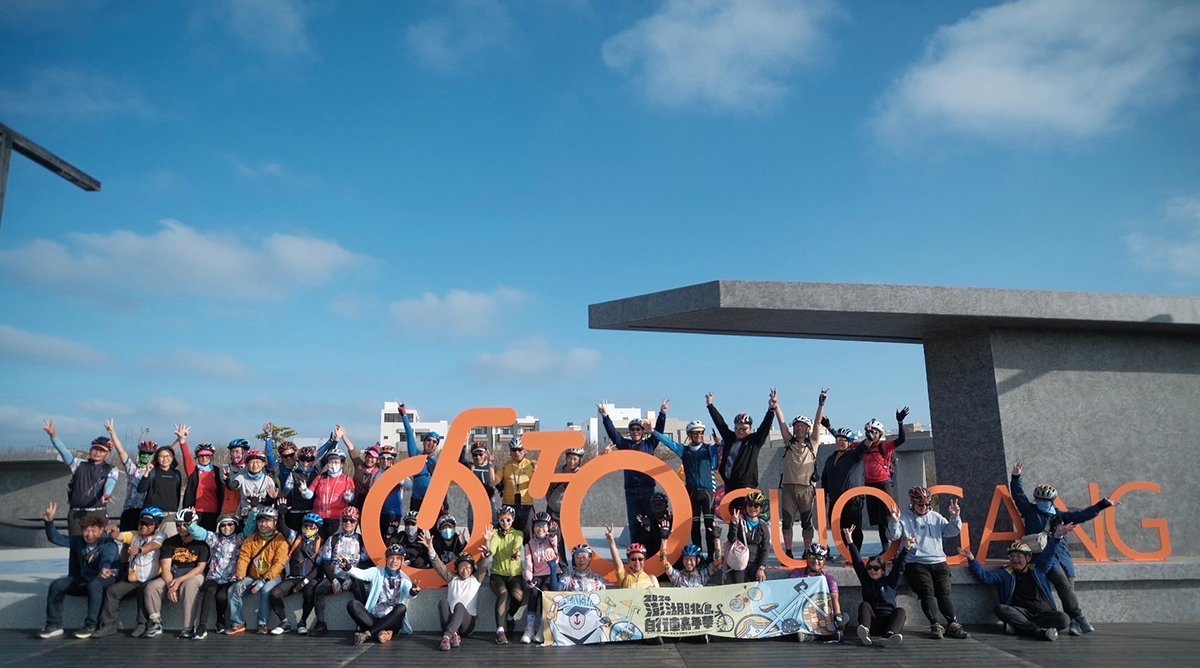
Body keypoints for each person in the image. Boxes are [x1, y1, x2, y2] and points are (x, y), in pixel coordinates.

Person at [1010, 460, 1118, 635]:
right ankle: (1079, 618)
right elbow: (1018, 495)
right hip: (1045, 558)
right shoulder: (1030, 511)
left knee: (1068, 589)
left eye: (1046, 500)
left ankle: (1074, 623)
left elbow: (1082, 515)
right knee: (1062, 586)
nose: (1042, 503)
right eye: (1039, 500)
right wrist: (1016, 477)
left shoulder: (1061, 516)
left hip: (1064, 560)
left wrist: (1101, 504)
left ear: (1053, 501)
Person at [960, 521, 1078, 641]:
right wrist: (972, 560)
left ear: (1028, 558)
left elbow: (1048, 554)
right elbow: (986, 578)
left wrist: (1056, 537)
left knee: (1064, 619)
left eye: (1019, 556)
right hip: (1021, 613)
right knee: (1001, 609)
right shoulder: (1005, 573)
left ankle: (1021, 627)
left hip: (1043, 613)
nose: (1015, 559)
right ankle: (1038, 631)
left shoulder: (1039, 569)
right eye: (1012, 556)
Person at [886, 486, 968, 639]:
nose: (924, 507)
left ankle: (953, 623)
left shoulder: (936, 517)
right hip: (916, 562)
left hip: (938, 560)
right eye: (921, 504)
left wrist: (955, 517)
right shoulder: (905, 517)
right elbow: (893, 536)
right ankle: (935, 624)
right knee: (927, 592)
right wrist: (894, 520)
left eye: (927, 504)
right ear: (912, 503)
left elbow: (951, 531)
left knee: (944, 592)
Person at [38, 501, 120, 639]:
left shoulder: (108, 544)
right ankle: (53, 624)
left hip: (106, 579)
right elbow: (55, 538)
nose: (89, 534)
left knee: (95, 584)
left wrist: (103, 568)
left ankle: (91, 624)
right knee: (57, 585)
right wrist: (49, 522)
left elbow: (107, 558)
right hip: (85, 579)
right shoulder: (78, 541)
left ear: (101, 531)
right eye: (86, 530)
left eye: (93, 530)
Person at [599, 400, 667, 545]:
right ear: (630, 432)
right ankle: (634, 551)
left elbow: (659, 432)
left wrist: (662, 413)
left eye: (638, 429)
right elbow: (613, 434)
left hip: (648, 489)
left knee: (650, 521)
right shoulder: (625, 445)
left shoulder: (649, 444)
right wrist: (605, 416)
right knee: (634, 523)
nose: (636, 432)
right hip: (631, 491)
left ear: (643, 431)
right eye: (633, 429)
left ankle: (650, 551)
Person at [773, 389, 829, 558]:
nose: (799, 429)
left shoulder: (813, 443)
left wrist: (821, 404)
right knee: (787, 523)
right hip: (789, 487)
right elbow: (782, 423)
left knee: (807, 523)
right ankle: (788, 552)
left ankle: (806, 551)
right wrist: (776, 406)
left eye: (802, 427)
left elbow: (818, 423)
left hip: (806, 488)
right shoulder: (788, 441)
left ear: (807, 429)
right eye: (797, 426)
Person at [653, 420, 720, 559]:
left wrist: (720, 444)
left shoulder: (709, 448)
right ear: (689, 435)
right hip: (691, 492)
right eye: (696, 433)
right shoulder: (684, 450)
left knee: (709, 526)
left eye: (702, 432)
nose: (700, 435)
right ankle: (698, 556)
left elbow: (717, 458)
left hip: (708, 492)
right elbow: (668, 442)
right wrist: (653, 432)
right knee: (694, 527)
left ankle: (712, 556)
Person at [95, 506, 166, 638]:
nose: (143, 526)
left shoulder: (160, 535)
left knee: (143, 590)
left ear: (156, 525)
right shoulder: (134, 535)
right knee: (112, 591)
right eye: (141, 522)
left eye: (148, 524)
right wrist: (114, 531)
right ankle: (109, 625)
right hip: (134, 578)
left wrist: (139, 550)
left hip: (152, 578)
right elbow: (120, 536)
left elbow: (155, 545)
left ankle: (142, 624)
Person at [421, 528, 493, 651]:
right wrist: (430, 548)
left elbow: (484, 566)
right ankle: (453, 635)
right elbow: (439, 567)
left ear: (472, 569)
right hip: (450, 621)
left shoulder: (475, 580)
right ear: (457, 569)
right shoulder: (452, 579)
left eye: (468, 567)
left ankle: (446, 637)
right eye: (461, 567)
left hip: (467, 624)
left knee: (459, 606)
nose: (465, 570)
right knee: (443, 602)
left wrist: (487, 546)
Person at [45, 419, 120, 536]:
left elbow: (110, 483)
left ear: (107, 453)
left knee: (97, 549)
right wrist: (53, 436)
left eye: (102, 450)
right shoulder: (78, 464)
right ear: (90, 449)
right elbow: (64, 452)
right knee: (76, 548)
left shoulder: (111, 469)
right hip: (76, 514)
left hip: (97, 514)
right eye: (95, 448)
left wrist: (107, 494)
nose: (98, 452)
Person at [143, 507, 210, 638]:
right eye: (178, 525)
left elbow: (200, 568)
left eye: (184, 524)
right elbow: (166, 568)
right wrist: (170, 587)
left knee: (188, 585)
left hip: (194, 575)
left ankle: (188, 627)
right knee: (151, 587)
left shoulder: (202, 543)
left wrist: (179, 581)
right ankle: (156, 622)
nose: (181, 527)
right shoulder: (169, 542)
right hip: (174, 574)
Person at [707, 391, 775, 513]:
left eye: (744, 429)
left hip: (745, 485)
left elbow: (764, 427)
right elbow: (720, 424)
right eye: (737, 428)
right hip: (729, 485)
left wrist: (771, 410)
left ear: (750, 428)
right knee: (733, 519)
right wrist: (710, 406)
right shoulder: (730, 438)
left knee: (746, 515)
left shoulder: (754, 441)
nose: (740, 431)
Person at [307, 506, 371, 636]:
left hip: (353, 575)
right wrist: (333, 580)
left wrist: (351, 578)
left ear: (357, 522)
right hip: (335, 575)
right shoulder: (333, 539)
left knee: (360, 589)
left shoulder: (361, 540)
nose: (348, 523)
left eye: (352, 521)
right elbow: (325, 561)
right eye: (345, 520)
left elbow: (364, 563)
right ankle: (320, 624)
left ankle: (364, 623)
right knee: (319, 590)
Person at [845, 525, 912, 647]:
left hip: (888, 622)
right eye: (869, 568)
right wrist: (850, 541)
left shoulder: (890, 581)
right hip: (872, 622)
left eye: (876, 568)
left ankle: (890, 636)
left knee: (900, 611)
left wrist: (906, 548)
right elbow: (857, 562)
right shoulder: (866, 580)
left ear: (882, 570)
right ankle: (864, 632)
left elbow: (899, 568)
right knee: (864, 605)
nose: (872, 571)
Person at [227, 506, 289, 634]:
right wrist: (240, 577)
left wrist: (264, 579)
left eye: (267, 521)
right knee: (233, 590)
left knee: (266, 590)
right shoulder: (251, 539)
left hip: (273, 576)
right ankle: (238, 623)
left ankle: (262, 623)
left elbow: (279, 563)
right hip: (253, 575)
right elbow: (244, 557)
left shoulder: (280, 539)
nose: (263, 524)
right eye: (261, 521)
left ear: (275, 522)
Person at [346, 544, 420, 645]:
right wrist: (349, 568)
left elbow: (409, 592)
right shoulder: (377, 571)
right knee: (352, 604)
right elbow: (362, 574)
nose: (394, 561)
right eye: (391, 557)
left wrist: (413, 591)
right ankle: (381, 633)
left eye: (398, 558)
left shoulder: (405, 578)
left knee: (401, 608)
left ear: (402, 561)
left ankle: (368, 633)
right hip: (374, 618)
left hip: (392, 621)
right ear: (386, 559)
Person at [266, 512, 324, 634]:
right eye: (306, 526)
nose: (308, 529)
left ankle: (302, 622)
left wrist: (304, 582)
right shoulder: (295, 537)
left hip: (310, 577)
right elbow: (282, 527)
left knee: (310, 592)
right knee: (275, 593)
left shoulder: (321, 543)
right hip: (293, 576)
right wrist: (281, 513)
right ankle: (285, 622)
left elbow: (319, 567)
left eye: (312, 527)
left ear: (317, 529)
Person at [188, 513, 244, 638]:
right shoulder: (214, 538)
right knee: (210, 591)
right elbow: (199, 533)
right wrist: (190, 523)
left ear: (235, 525)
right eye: (223, 525)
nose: (227, 527)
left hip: (231, 578)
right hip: (213, 576)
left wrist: (254, 511)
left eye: (230, 524)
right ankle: (202, 626)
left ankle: (220, 622)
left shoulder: (240, 538)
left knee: (221, 596)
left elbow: (250, 528)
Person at [862, 407, 910, 550]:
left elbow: (901, 439)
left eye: (874, 432)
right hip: (869, 485)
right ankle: (885, 550)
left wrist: (900, 422)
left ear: (880, 434)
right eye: (869, 432)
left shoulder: (884, 446)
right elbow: (846, 443)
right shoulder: (863, 447)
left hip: (883, 484)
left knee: (890, 517)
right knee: (879, 521)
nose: (871, 434)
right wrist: (830, 428)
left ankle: (897, 547)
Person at [787, 543, 849, 642]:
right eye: (812, 557)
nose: (815, 561)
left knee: (845, 617)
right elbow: (791, 594)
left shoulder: (829, 579)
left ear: (824, 560)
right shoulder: (797, 573)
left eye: (819, 558)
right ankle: (821, 635)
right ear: (807, 557)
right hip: (803, 613)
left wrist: (838, 615)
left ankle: (814, 636)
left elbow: (834, 598)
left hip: (823, 615)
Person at [821, 427, 866, 552]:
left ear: (850, 443)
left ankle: (855, 553)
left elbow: (864, 447)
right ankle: (844, 553)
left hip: (852, 500)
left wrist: (870, 438)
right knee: (838, 528)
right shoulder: (830, 458)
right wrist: (822, 496)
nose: (840, 442)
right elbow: (825, 479)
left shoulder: (854, 455)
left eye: (844, 440)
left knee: (853, 529)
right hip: (835, 499)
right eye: (838, 439)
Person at [105, 420, 152, 531]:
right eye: (143, 453)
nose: (146, 456)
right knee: (126, 540)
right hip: (129, 509)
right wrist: (112, 432)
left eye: (149, 454)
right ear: (139, 454)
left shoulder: (153, 470)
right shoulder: (132, 468)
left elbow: (167, 453)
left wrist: (179, 441)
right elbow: (121, 451)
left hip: (146, 511)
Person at [487, 505, 525, 645]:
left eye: (508, 520)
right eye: (502, 520)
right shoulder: (496, 534)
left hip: (515, 575)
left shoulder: (518, 534)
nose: (505, 523)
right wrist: (488, 551)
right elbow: (492, 548)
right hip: (498, 574)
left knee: (518, 596)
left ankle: (509, 616)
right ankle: (500, 631)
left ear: (513, 519)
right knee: (503, 593)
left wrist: (516, 554)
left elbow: (517, 545)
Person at [521, 512, 559, 643]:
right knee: (533, 591)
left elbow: (554, 542)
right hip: (537, 574)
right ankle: (529, 628)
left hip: (551, 573)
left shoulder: (551, 540)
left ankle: (543, 626)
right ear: (533, 527)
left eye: (544, 525)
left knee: (545, 590)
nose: (540, 528)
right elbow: (528, 564)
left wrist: (553, 533)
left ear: (548, 527)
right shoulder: (529, 545)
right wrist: (529, 578)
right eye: (537, 525)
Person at [397, 403, 442, 512]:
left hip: (433, 501)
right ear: (424, 442)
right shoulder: (416, 456)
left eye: (434, 442)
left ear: (436, 445)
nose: (431, 443)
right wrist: (404, 416)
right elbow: (409, 434)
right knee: (414, 529)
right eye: (429, 440)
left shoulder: (439, 462)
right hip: (416, 501)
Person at [179, 424, 223, 531]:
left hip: (213, 512)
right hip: (194, 510)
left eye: (207, 455)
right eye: (201, 456)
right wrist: (182, 441)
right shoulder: (193, 470)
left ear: (211, 457)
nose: (204, 458)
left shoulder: (217, 471)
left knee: (208, 540)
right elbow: (186, 457)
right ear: (197, 457)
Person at [136, 442, 184, 538]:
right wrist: (146, 472)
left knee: (169, 542)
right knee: (149, 542)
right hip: (151, 513)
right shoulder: (153, 472)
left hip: (170, 513)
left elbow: (177, 492)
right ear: (157, 458)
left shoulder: (177, 474)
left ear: (173, 457)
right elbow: (141, 489)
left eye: (167, 456)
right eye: (161, 456)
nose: (165, 459)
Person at [306, 450, 355, 537]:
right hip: (318, 518)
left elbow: (351, 497)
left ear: (342, 464)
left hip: (337, 519)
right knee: (317, 544)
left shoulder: (347, 479)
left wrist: (348, 496)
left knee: (333, 544)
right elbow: (309, 494)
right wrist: (304, 490)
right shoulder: (320, 478)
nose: (333, 464)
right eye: (330, 462)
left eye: (336, 462)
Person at [726, 490, 770, 584]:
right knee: (738, 589)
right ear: (746, 506)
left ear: (761, 508)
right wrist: (734, 525)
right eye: (750, 505)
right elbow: (732, 539)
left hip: (755, 563)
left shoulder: (763, 526)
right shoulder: (739, 521)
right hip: (739, 562)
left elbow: (765, 548)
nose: (752, 508)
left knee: (762, 584)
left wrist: (761, 567)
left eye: (756, 505)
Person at [499, 437, 535, 538]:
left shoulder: (532, 464)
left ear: (525, 450)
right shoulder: (505, 466)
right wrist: (490, 467)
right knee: (508, 537)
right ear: (510, 451)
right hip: (509, 505)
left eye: (520, 449)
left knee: (528, 536)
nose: (517, 452)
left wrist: (537, 471)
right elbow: (494, 481)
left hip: (526, 505)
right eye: (514, 450)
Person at [605, 524, 658, 589]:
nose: (637, 562)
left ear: (644, 560)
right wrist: (611, 542)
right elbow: (617, 561)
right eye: (633, 559)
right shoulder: (624, 577)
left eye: (640, 559)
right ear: (628, 561)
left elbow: (659, 597)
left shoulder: (652, 579)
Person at [229, 449, 276, 519]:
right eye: (252, 462)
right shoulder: (242, 477)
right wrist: (227, 480)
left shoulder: (268, 480)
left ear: (263, 464)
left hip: (262, 515)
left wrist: (271, 498)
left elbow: (270, 501)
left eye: (258, 462)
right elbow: (232, 486)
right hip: (246, 514)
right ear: (247, 464)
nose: (255, 465)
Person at [463, 443, 497, 534]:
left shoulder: (493, 467)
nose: (478, 457)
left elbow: (495, 483)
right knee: (473, 528)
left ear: (486, 454)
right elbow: (460, 460)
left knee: (493, 526)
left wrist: (491, 467)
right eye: (475, 455)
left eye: (481, 454)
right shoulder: (470, 466)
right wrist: (463, 445)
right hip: (474, 502)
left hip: (489, 501)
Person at [634, 491, 673, 559]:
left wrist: (667, 532)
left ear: (666, 505)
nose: (657, 507)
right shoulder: (649, 520)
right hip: (654, 556)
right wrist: (647, 527)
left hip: (671, 554)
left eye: (660, 504)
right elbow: (644, 544)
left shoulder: (671, 519)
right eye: (654, 504)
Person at [219, 438, 251, 517]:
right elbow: (232, 484)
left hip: (247, 508)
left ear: (245, 453)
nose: (234, 455)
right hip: (230, 509)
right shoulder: (225, 468)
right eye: (232, 452)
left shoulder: (251, 468)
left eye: (237, 452)